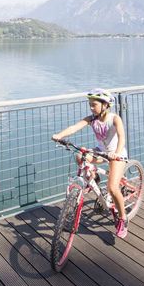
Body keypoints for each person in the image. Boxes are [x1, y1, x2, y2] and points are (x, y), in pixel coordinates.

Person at [52, 88, 130, 238]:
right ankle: (94, 178)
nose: (91, 107)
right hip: (101, 152)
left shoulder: (114, 119)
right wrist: (59, 135)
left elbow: (122, 137)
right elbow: (74, 127)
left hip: (117, 154)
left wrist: (116, 153)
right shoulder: (92, 119)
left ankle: (122, 218)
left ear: (105, 105)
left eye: (94, 104)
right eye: (90, 104)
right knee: (80, 156)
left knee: (113, 188)